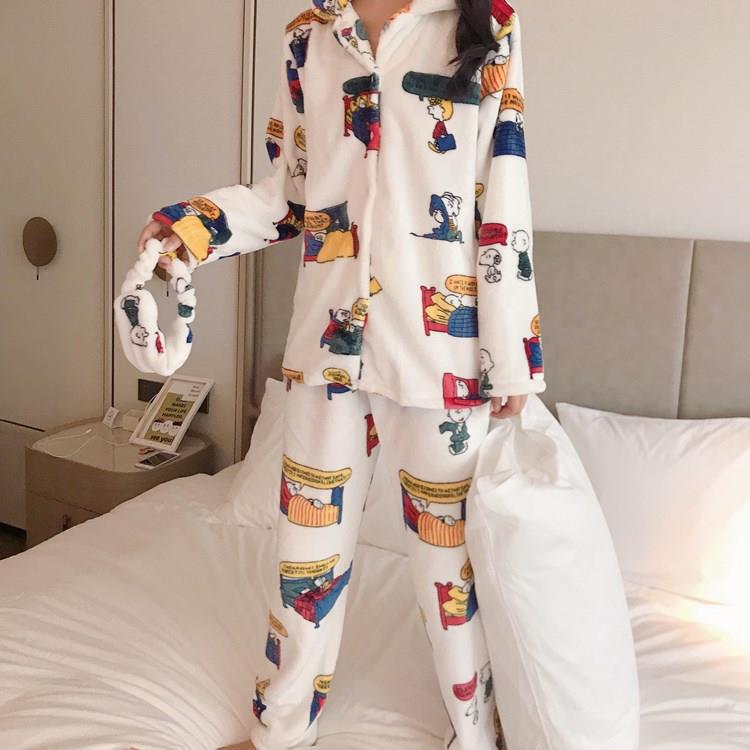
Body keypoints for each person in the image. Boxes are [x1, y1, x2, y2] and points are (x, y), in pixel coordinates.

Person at [138, 1, 545, 748]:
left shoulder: (486, 24)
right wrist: (189, 230)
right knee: (304, 567)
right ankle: (282, 732)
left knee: (450, 582)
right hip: (326, 351)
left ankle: (474, 737)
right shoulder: (308, 36)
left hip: (441, 363)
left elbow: (503, 189)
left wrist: (511, 353)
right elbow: (291, 195)